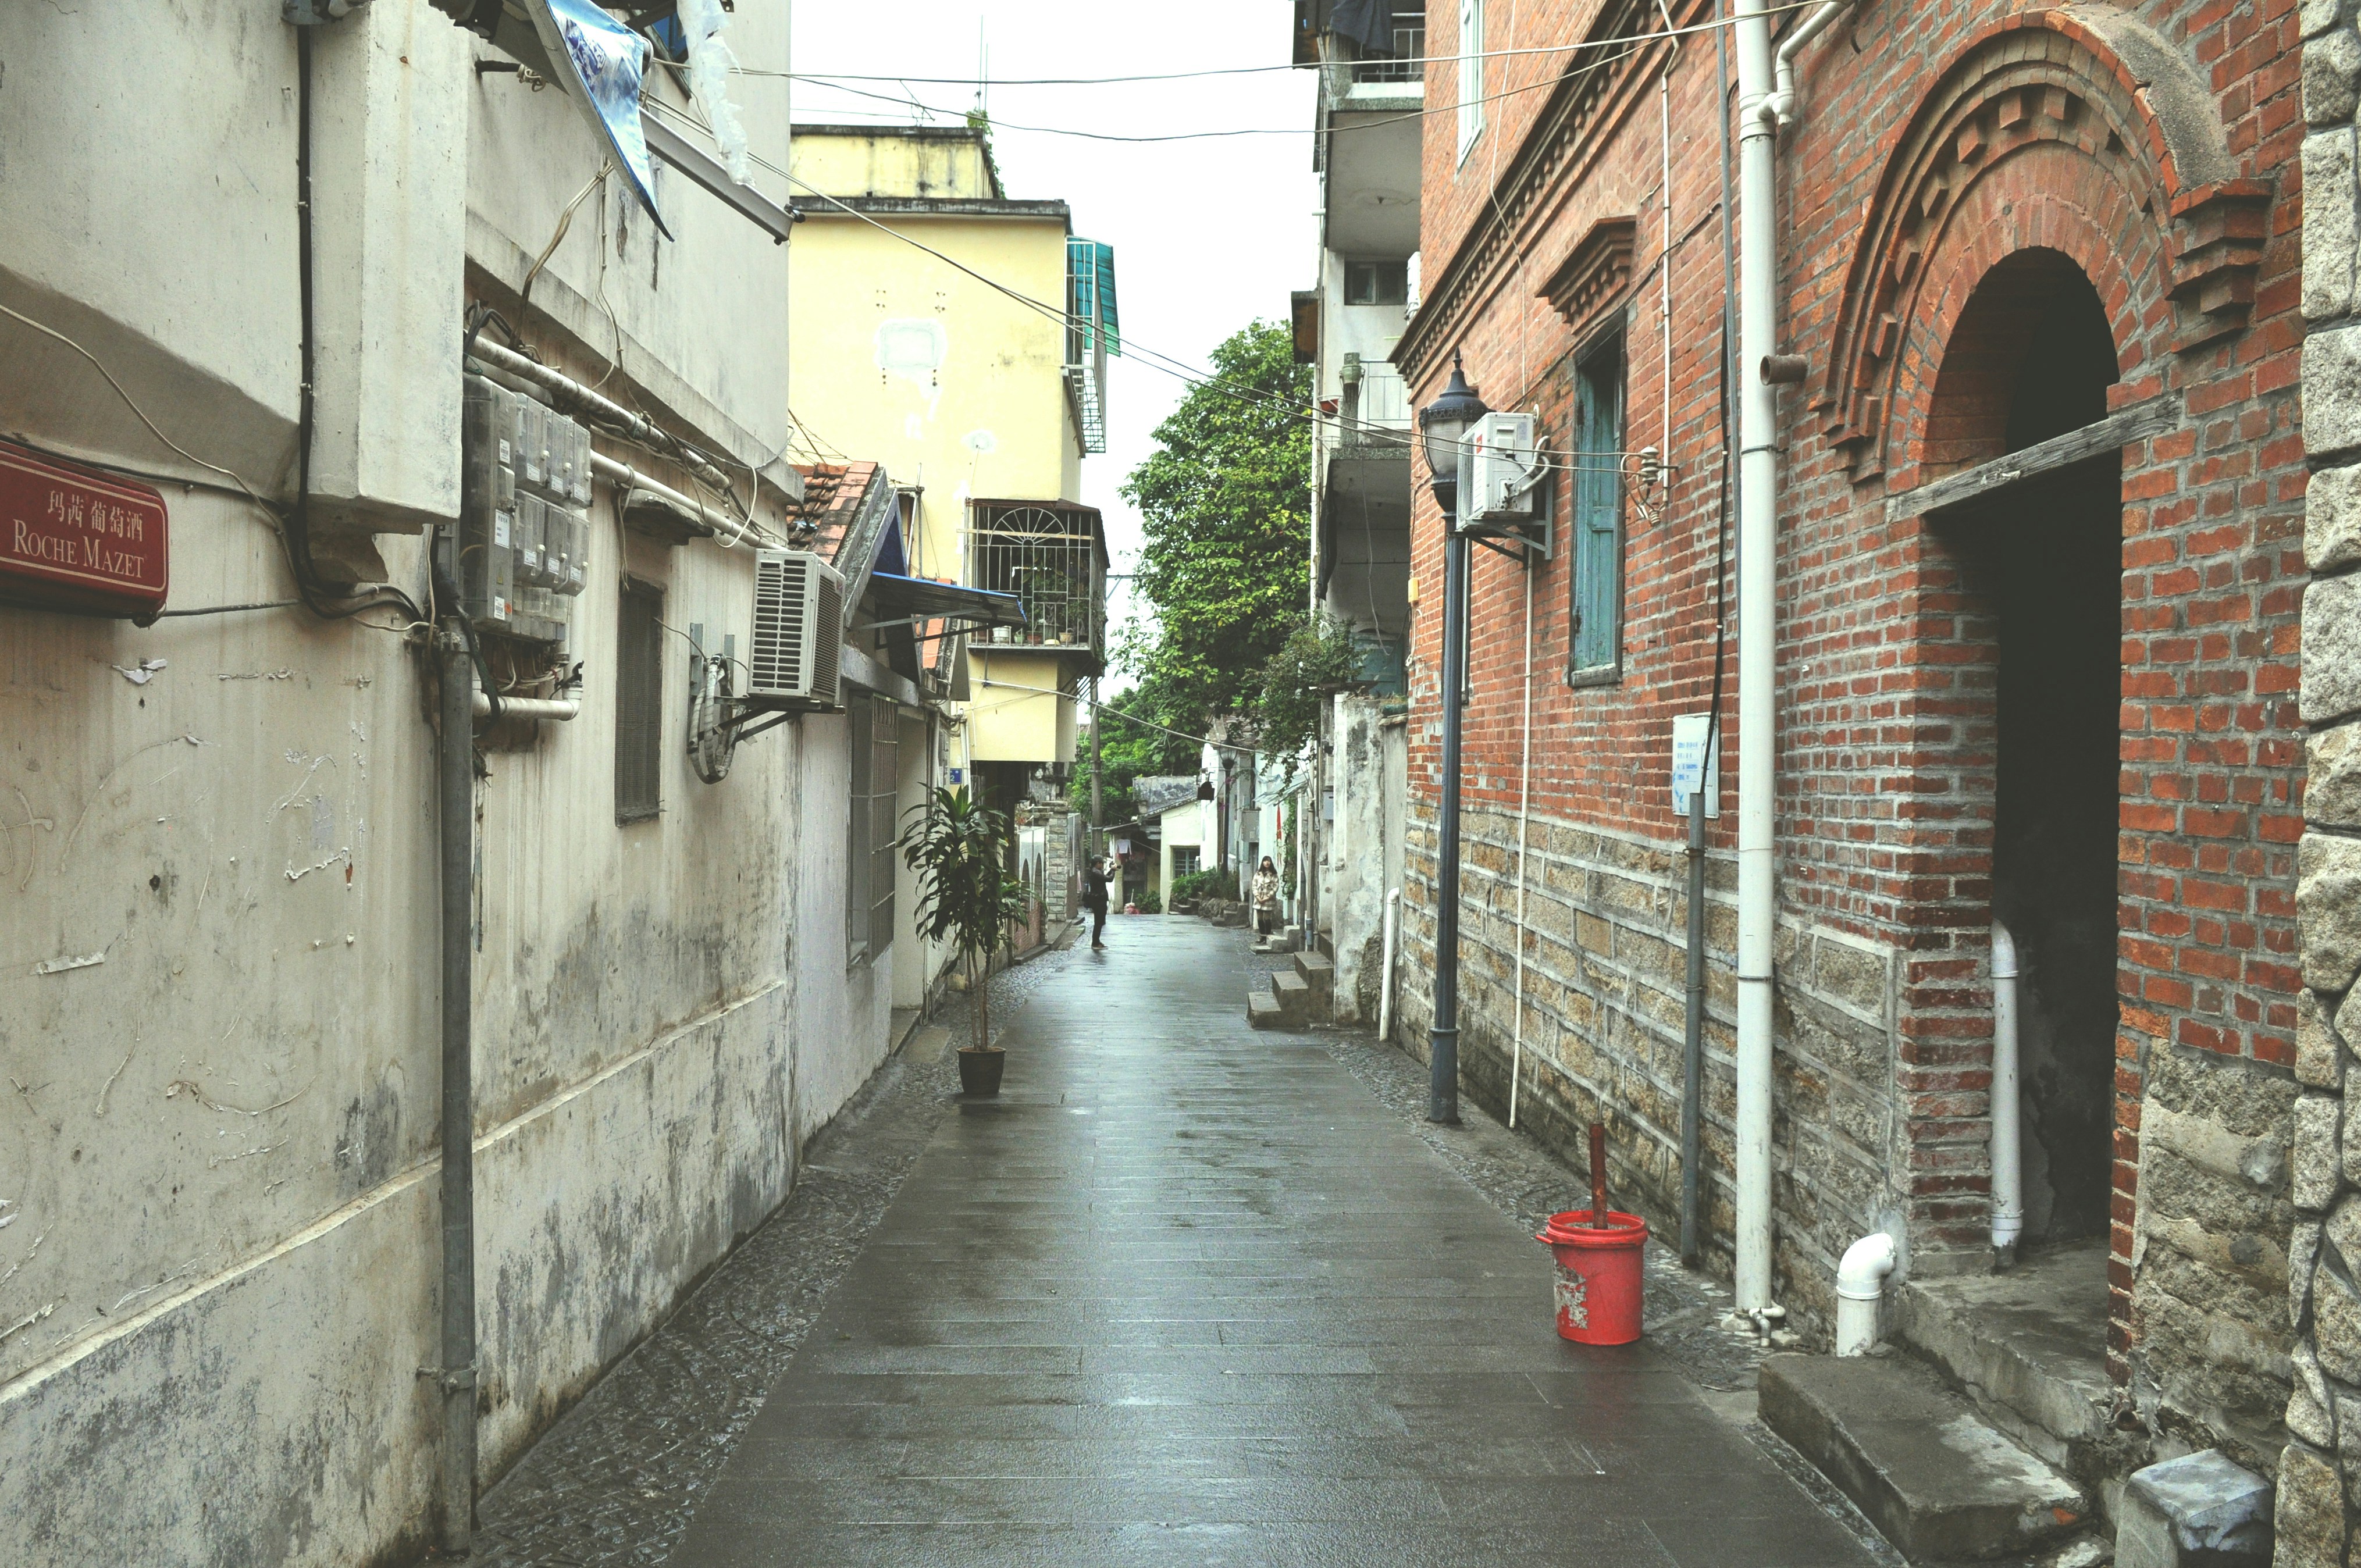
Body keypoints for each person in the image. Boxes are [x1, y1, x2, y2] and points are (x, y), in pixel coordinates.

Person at [1084, 857, 1110, 950]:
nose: (1102, 865)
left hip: (1098, 899)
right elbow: (1109, 879)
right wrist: (1114, 871)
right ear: (1098, 863)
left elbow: (1105, 878)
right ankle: (1095, 943)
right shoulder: (1096, 872)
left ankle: (1096, 942)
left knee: (1099, 922)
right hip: (1099, 900)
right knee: (1099, 922)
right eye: (1101, 863)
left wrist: (1112, 870)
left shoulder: (1095, 872)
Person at [1252, 856, 1280, 936]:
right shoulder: (1258, 874)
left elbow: (1276, 887)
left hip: (1268, 900)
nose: (1267, 863)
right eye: (1265, 861)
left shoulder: (1274, 875)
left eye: (1269, 861)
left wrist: (1268, 897)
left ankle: (1268, 936)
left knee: (1267, 918)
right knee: (1260, 919)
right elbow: (1254, 886)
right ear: (1262, 863)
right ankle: (1262, 936)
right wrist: (1257, 896)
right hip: (1259, 899)